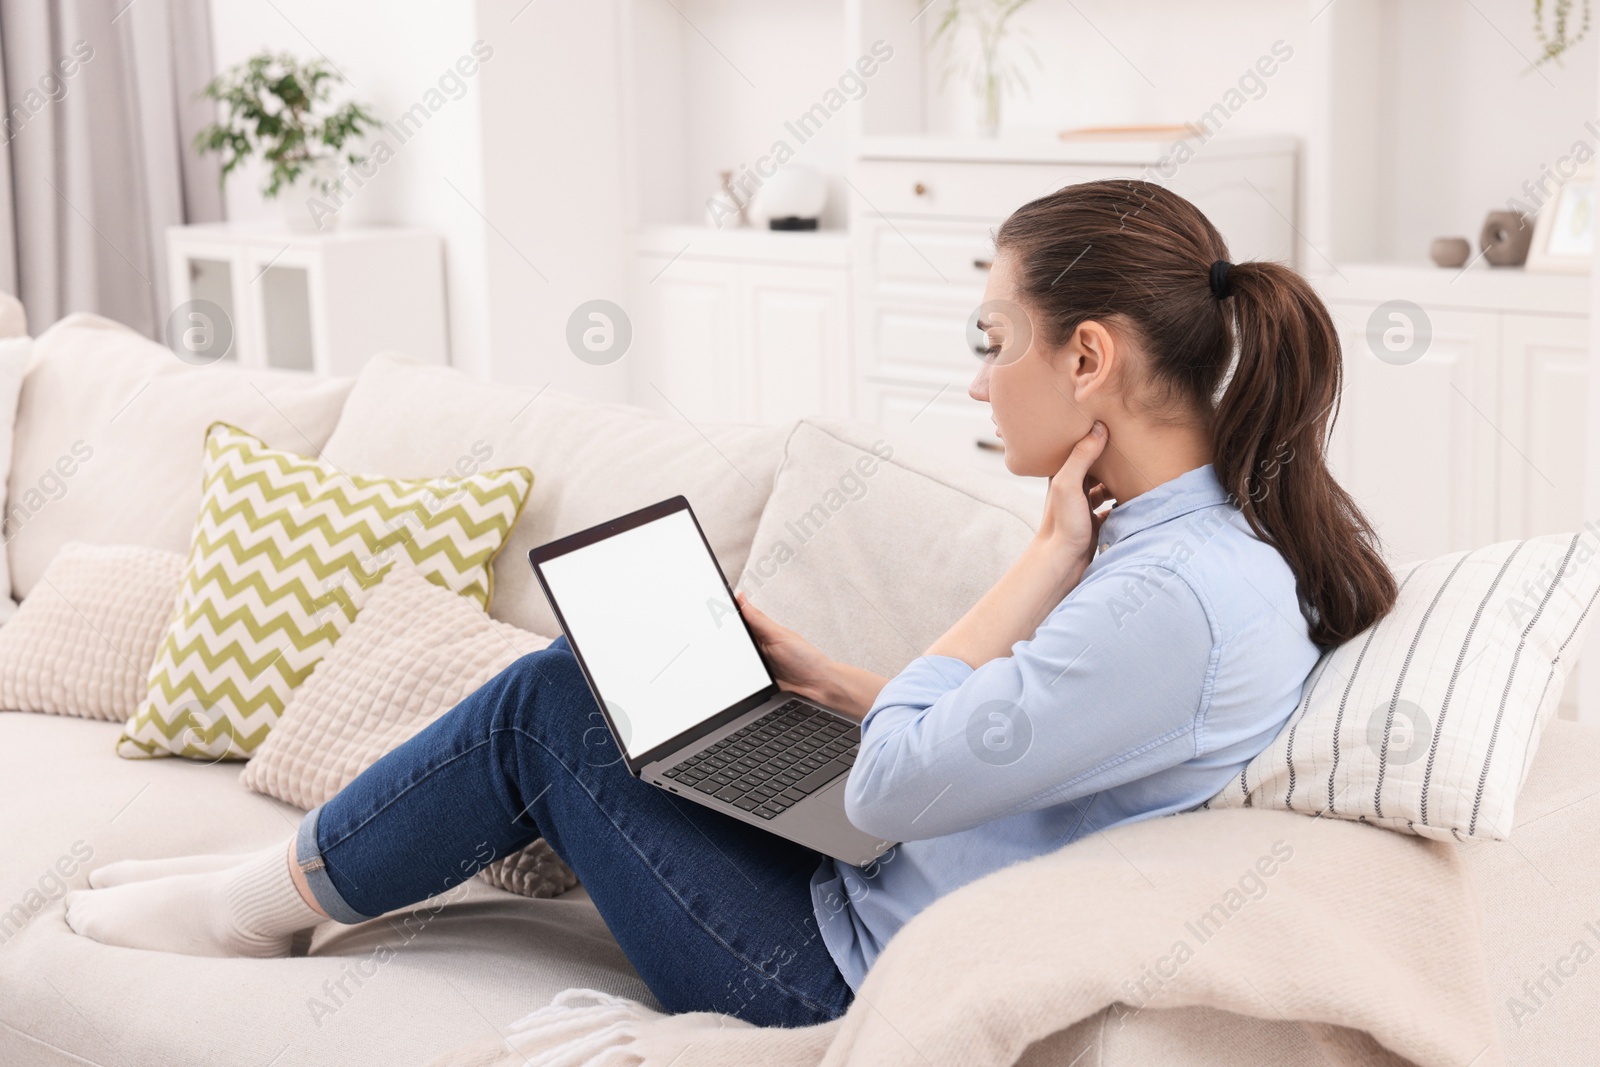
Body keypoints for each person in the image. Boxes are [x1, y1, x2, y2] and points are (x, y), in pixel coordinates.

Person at [64, 180, 1396, 1028]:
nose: (983, 383)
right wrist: (842, 689)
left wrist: (1031, 574)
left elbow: (884, 798)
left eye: (997, 343)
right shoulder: (1204, 549)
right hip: (889, 875)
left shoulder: (1157, 591)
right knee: (664, 706)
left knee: (547, 705)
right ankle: (289, 876)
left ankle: (262, 901)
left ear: (1089, 356)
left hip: (832, 974)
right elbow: (1048, 748)